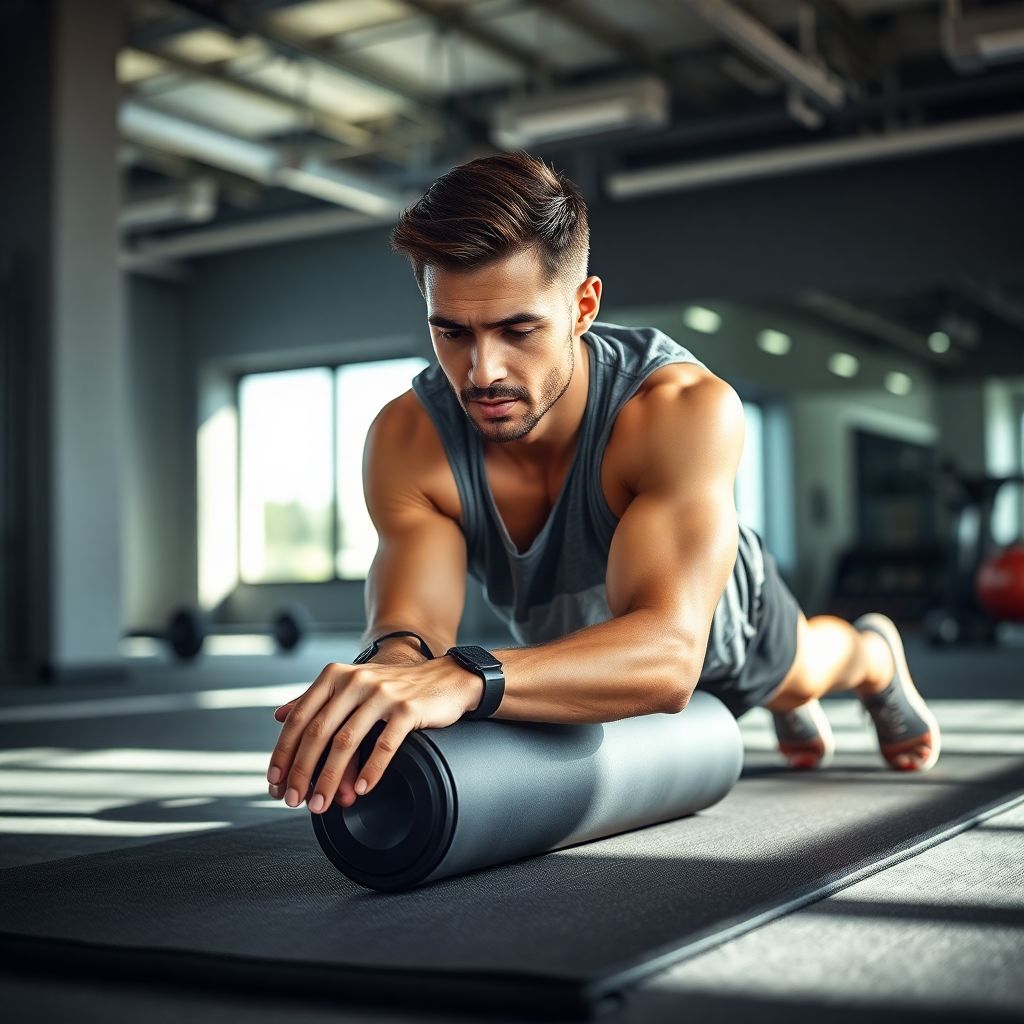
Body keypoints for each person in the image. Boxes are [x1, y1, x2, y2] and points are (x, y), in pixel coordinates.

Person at [265, 153, 941, 815]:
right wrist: (393, 671)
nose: (480, 372)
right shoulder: (409, 439)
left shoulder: (677, 410)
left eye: (518, 329)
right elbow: (409, 625)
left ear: (584, 307)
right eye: (452, 332)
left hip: (701, 630)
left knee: (799, 676)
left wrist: (469, 676)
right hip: (576, 655)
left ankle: (874, 657)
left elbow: (671, 658)